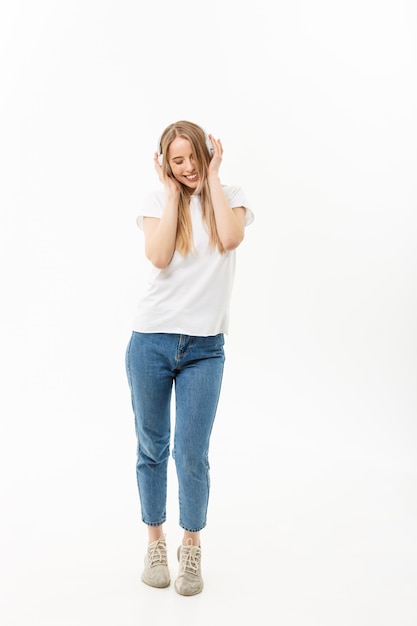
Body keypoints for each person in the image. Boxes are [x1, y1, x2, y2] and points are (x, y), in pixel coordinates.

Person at [125, 120, 254, 596]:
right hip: (152, 341)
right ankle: (155, 542)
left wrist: (213, 179)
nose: (188, 167)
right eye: (177, 161)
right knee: (152, 446)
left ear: (207, 151)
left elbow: (231, 237)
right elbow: (158, 258)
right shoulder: (157, 200)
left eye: (193, 156)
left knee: (192, 454)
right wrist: (172, 192)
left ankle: (192, 546)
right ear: (166, 164)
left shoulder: (231, 192)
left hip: (205, 348)